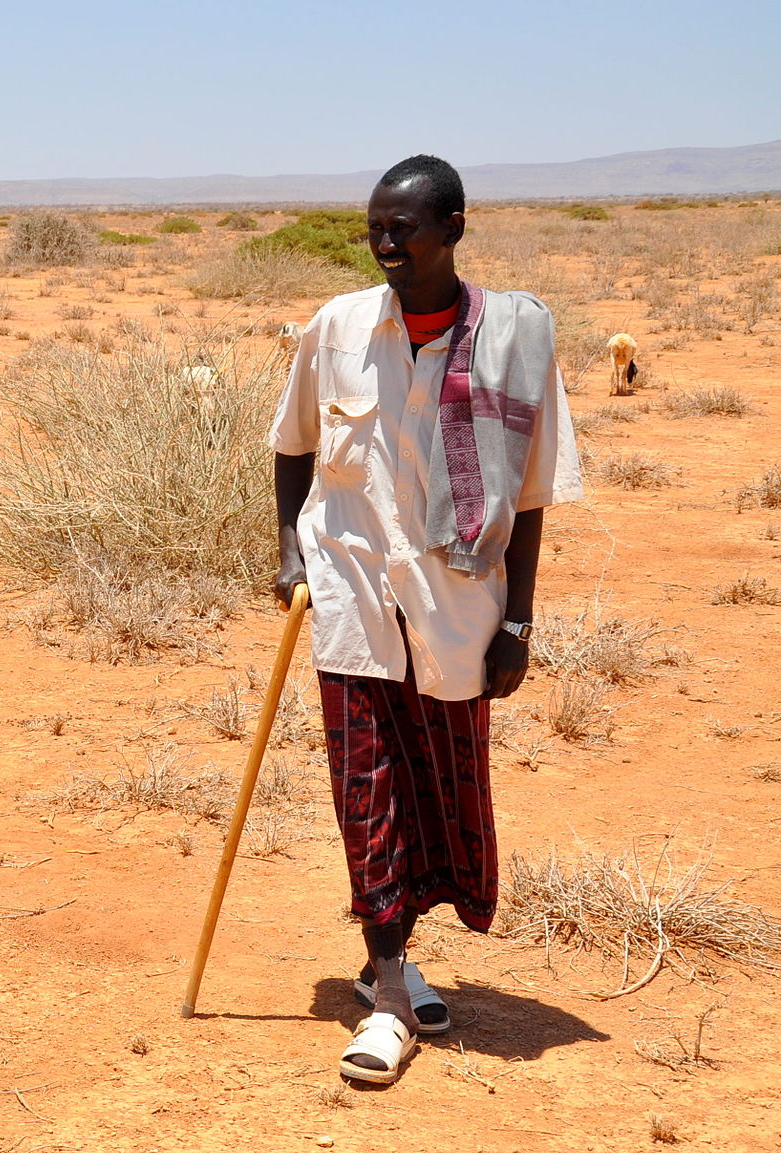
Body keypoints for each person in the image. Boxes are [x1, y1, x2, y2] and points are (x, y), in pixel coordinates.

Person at [269, 154, 583, 1085]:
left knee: (441, 793)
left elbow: (529, 500)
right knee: (366, 789)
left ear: (453, 229)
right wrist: (293, 551)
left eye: (403, 228)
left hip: (456, 609)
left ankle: (387, 963)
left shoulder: (517, 341)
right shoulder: (337, 328)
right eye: (374, 228)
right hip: (355, 595)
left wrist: (518, 622)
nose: (385, 244)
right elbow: (293, 445)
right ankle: (394, 995)